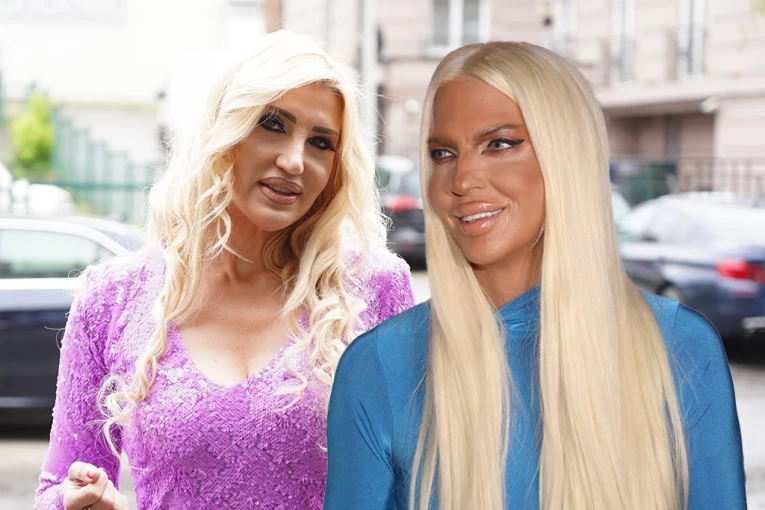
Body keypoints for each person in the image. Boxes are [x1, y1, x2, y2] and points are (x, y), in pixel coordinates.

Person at [324, 41, 746, 510]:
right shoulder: (379, 366)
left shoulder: (680, 349)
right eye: (443, 153)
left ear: (566, 157)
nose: (461, 179)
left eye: (500, 144)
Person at [35, 30, 415, 510]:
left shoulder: (373, 289)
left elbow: (415, 485)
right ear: (224, 131)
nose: (294, 160)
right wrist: (80, 502)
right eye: (272, 124)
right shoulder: (112, 297)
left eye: (320, 142)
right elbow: (55, 489)